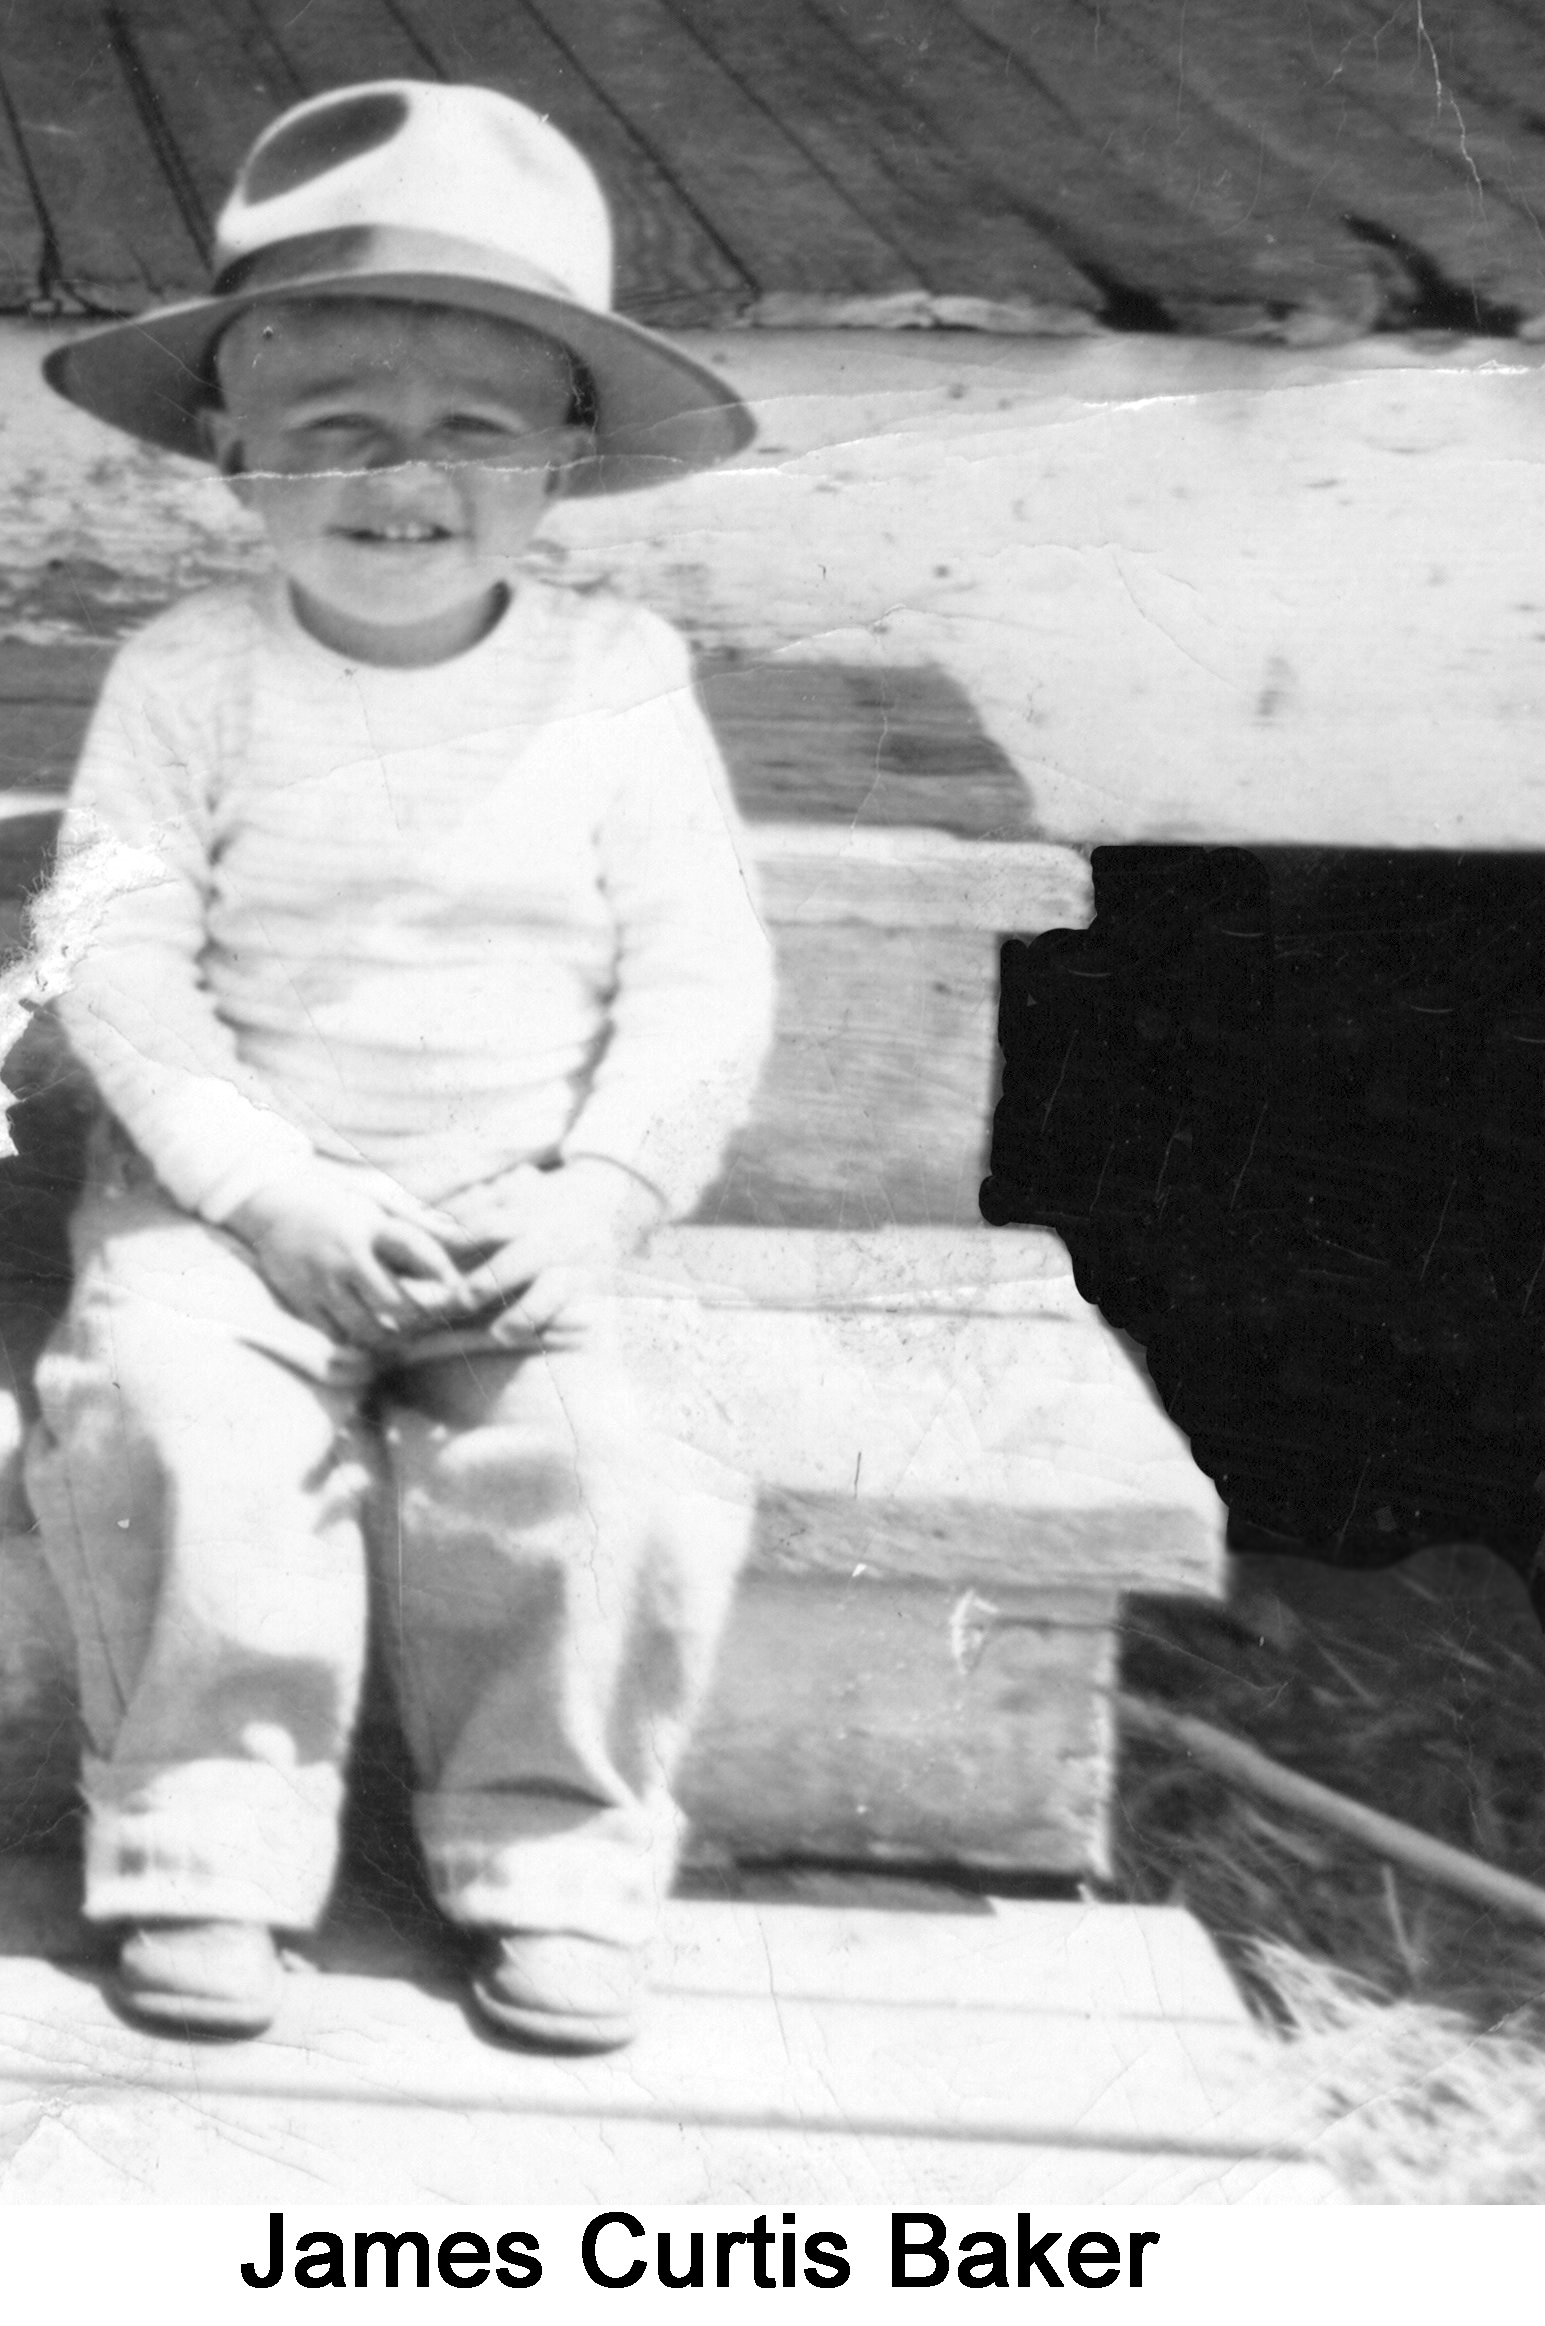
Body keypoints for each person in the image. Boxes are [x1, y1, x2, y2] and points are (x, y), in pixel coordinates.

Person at [24, 79, 775, 2050]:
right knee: (174, 1414)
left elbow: (701, 972)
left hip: (519, 1196)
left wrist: (603, 1189)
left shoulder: (614, 683)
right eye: (331, 427)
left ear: (565, 457)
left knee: (604, 1460)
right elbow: (111, 953)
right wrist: (265, 1188)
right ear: (225, 445)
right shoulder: (190, 675)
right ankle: (203, 1841)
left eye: (469, 430)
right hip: (234, 1189)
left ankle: (552, 1859)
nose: (399, 478)